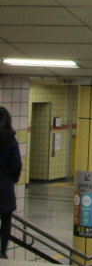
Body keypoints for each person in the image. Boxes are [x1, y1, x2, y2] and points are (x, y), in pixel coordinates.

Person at [0, 107, 22, 260]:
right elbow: (16, 164)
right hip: (5, 183)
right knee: (6, 217)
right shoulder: (11, 140)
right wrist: (13, 178)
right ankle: (2, 252)